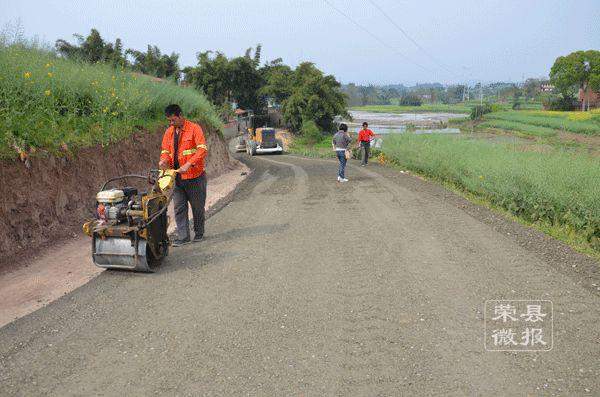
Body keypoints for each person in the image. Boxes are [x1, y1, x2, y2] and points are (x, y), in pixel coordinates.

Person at [159, 104, 208, 247]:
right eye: (169, 121)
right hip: (177, 178)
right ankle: (183, 236)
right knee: (179, 208)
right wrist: (163, 160)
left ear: (180, 115)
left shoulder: (194, 129)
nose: (171, 123)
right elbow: (165, 151)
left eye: (173, 120)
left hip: (195, 177)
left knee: (197, 207)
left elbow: (202, 149)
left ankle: (199, 233)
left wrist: (189, 164)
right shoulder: (169, 132)